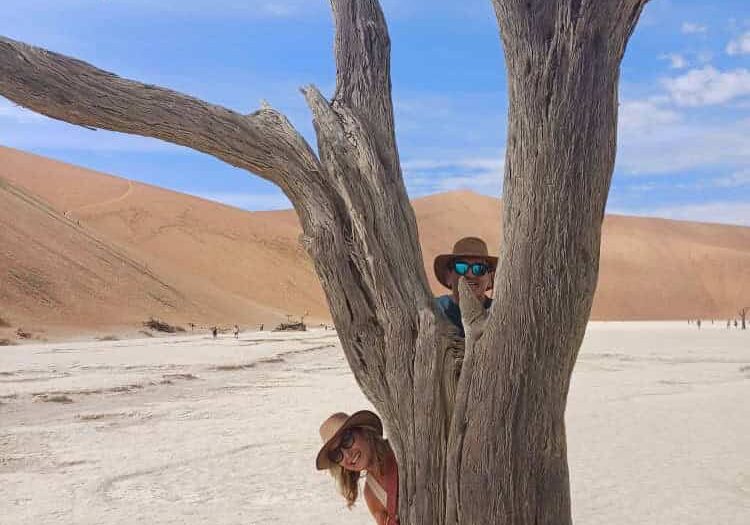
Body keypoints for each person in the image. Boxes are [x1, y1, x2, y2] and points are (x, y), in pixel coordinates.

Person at [316, 411, 399, 525]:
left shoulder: (401, 449)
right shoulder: (372, 495)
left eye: (347, 440)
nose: (348, 456)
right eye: (336, 454)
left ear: (363, 431)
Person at [433, 236, 497, 337]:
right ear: (448, 276)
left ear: (489, 279)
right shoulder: (434, 311)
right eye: (461, 267)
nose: (470, 275)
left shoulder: (500, 314)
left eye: (479, 269)